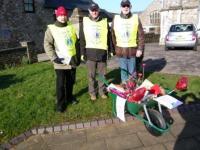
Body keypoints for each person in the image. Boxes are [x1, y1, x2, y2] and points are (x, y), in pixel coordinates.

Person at [44, 6, 80, 112]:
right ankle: (60, 103)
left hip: (72, 60)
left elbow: (76, 42)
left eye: (64, 15)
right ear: (57, 16)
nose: (63, 17)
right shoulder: (51, 29)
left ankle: (69, 97)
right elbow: (47, 44)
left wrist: (78, 56)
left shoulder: (71, 26)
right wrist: (54, 58)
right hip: (60, 62)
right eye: (60, 15)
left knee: (70, 82)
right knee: (60, 84)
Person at [80, 3, 113, 101]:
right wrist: (82, 53)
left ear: (99, 11)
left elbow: (109, 38)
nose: (94, 12)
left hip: (102, 53)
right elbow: (82, 39)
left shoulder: (104, 22)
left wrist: (111, 50)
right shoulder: (84, 22)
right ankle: (92, 93)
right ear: (89, 11)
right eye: (92, 10)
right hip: (90, 54)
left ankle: (102, 91)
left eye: (96, 10)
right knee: (91, 76)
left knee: (102, 75)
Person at [111, 0, 145, 83]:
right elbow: (112, 35)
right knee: (123, 72)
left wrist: (140, 49)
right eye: (124, 6)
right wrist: (116, 48)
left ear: (130, 7)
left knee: (132, 72)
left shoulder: (135, 18)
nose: (126, 7)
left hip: (132, 51)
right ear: (121, 7)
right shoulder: (116, 18)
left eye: (127, 6)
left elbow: (141, 34)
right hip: (121, 51)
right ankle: (125, 89)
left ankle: (132, 90)